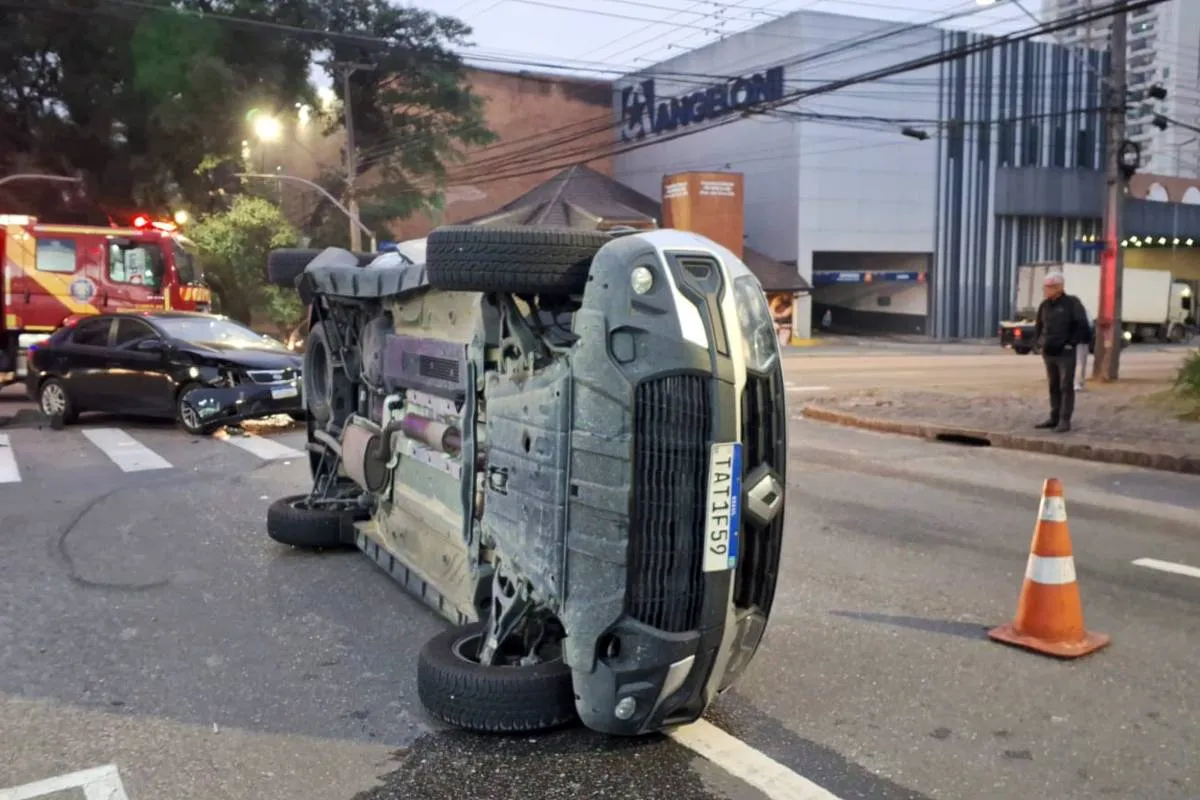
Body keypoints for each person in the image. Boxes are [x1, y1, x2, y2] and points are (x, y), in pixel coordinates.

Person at [1033, 272, 1092, 433]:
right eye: (1045, 287)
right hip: (1049, 351)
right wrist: (1038, 343)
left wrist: (1070, 344)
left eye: (1050, 287)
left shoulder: (1072, 303)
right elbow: (1039, 326)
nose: (1046, 290)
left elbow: (1082, 326)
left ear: (1059, 287)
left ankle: (1065, 420)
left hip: (1065, 352)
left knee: (1066, 386)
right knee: (1053, 385)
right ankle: (1054, 417)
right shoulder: (1044, 306)